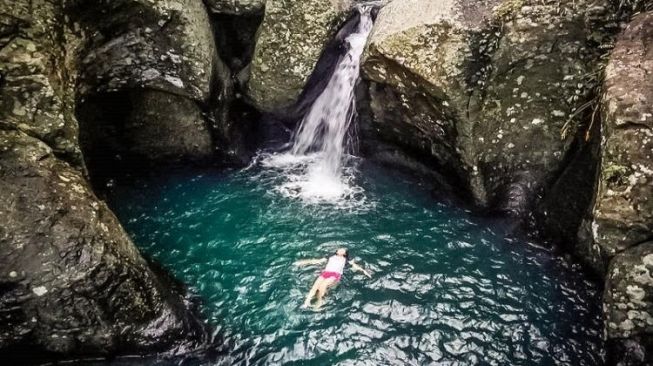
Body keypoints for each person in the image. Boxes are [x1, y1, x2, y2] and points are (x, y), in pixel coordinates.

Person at [294, 248, 372, 309]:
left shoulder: (346, 260)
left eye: (342, 250)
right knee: (315, 287)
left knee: (323, 286)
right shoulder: (330, 257)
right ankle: (306, 303)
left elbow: (355, 266)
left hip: (335, 274)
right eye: (340, 249)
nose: (340, 249)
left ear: (344, 253)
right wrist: (302, 263)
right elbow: (316, 261)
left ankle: (319, 302)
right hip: (326, 273)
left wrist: (364, 272)